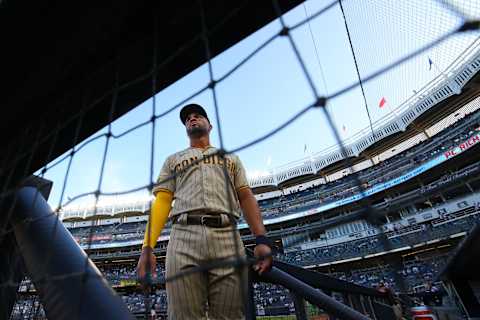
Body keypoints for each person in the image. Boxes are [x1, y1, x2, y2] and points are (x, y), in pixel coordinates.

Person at [137, 103, 273, 319]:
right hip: (183, 236)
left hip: (227, 235)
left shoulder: (231, 158)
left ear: (210, 126)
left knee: (230, 315)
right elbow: (162, 201)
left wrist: (261, 240)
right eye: (188, 118)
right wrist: (147, 247)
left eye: (198, 115)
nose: (192, 118)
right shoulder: (173, 159)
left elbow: (245, 197)